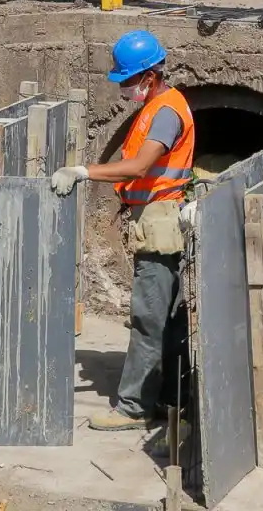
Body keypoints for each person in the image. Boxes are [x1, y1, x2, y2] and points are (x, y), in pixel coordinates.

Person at [51, 30, 196, 433]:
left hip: (161, 220)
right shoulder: (158, 105)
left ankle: (133, 407)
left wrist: (84, 171)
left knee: (149, 317)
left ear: (150, 76)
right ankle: (171, 397)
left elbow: (138, 167)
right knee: (167, 317)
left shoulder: (165, 111)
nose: (124, 88)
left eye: (128, 80)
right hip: (159, 216)